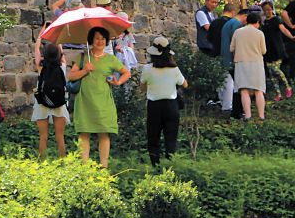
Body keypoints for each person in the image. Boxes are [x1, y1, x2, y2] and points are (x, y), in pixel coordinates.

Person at [69, 26, 132, 168]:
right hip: (85, 100)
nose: (100, 41)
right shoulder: (83, 57)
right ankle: (84, 168)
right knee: (84, 133)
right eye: (97, 38)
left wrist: (117, 82)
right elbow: (71, 76)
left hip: (104, 101)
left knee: (104, 133)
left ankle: (104, 167)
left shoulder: (111, 59)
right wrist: (85, 70)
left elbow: (126, 73)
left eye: (103, 38)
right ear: (91, 39)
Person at [140, 35, 188, 166]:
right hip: (171, 106)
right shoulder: (174, 69)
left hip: (154, 106)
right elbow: (185, 84)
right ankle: (170, 166)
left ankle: (155, 165)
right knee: (171, 138)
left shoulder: (147, 69)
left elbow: (142, 88)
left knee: (153, 138)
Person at [33, 39, 71, 159]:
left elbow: (36, 49)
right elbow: (62, 54)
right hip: (59, 103)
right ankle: (63, 161)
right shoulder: (62, 67)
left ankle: (42, 162)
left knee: (43, 136)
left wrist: (41, 34)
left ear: (44, 54)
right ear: (59, 55)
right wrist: (58, 39)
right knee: (60, 136)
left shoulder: (40, 67)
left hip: (42, 102)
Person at [231, 9, 267, 121]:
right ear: (257, 22)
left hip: (241, 63)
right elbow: (264, 50)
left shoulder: (238, 32)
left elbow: (231, 48)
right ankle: (261, 116)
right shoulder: (260, 33)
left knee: (244, 91)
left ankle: (248, 116)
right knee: (259, 90)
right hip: (256, 63)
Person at [258, 1, 291, 102]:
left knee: (275, 69)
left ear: (272, 9)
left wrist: (291, 36)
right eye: (265, 10)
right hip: (267, 50)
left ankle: (288, 86)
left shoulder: (276, 20)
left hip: (277, 49)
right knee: (272, 74)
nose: (267, 12)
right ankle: (278, 94)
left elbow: (283, 29)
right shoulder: (264, 22)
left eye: (269, 9)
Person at [217, 2, 243, 115]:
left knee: (225, 81)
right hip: (232, 57)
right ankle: (232, 108)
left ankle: (225, 104)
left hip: (222, 55)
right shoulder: (235, 24)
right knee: (234, 84)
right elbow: (235, 41)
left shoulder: (223, 23)